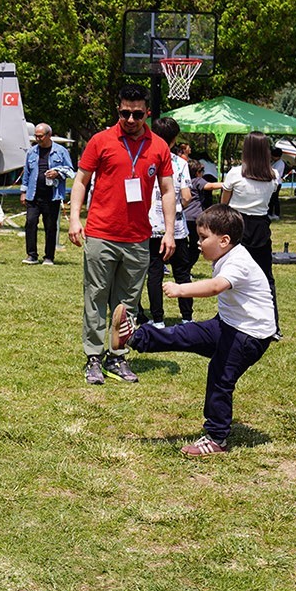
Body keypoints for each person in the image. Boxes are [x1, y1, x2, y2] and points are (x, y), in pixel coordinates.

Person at [111, 204, 275, 456]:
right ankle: (133, 337)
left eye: (203, 237)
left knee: (220, 378)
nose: (198, 243)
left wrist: (180, 289)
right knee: (183, 334)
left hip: (249, 336)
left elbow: (214, 287)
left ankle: (216, 438)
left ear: (224, 240)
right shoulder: (226, 255)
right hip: (228, 325)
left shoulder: (238, 261)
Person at [69, 83, 176, 385]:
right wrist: (75, 219)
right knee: (96, 297)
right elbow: (81, 181)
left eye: (137, 114)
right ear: (118, 110)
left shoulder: (159, 147)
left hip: (138, 238)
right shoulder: (100, 141)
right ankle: (93, 357)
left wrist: (169, 232)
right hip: (101, 233)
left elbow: (167, 190)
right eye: (124, 113)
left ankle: (117, 357)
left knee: (127, 303)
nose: (130, 120)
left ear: (148, 113)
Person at [221, 132, 281, 336]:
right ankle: (273, 326)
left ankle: (230, 320)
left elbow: (224, 203)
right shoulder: (273, 175)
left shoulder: (235, 173)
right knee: (266, 278)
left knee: (231, 275)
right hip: (261, 226)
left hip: (237, 224)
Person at [142, 118, 195, 326]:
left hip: (150, 225)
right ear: (174, 140)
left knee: (154, 273)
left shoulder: (144, 158)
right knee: (182, 272)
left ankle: (157, 319)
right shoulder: (180, 163)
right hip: (176, 228)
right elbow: (187, 196)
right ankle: (187, 317)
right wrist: (177, 208)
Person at [19, 122, 73, 265]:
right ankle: (31, 255)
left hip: (52, 196)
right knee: (30, 223)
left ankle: (49, 257)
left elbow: (70, 171)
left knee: (50, 227)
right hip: (33, 195)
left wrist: (58, 173)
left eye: (40, 136)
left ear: (49, 135)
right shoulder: (32, 152)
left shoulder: (60, 151)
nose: (38, 139)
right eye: (36, 136)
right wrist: (23, 192)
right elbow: (27, 173)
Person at [268, 146, 287, 220]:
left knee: (274, 199)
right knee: (271, 199)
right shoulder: (274, 162)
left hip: (277, 183)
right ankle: (270, 213)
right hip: (273, 183)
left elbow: (275, 173)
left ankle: (276, 213)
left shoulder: (280, 163)